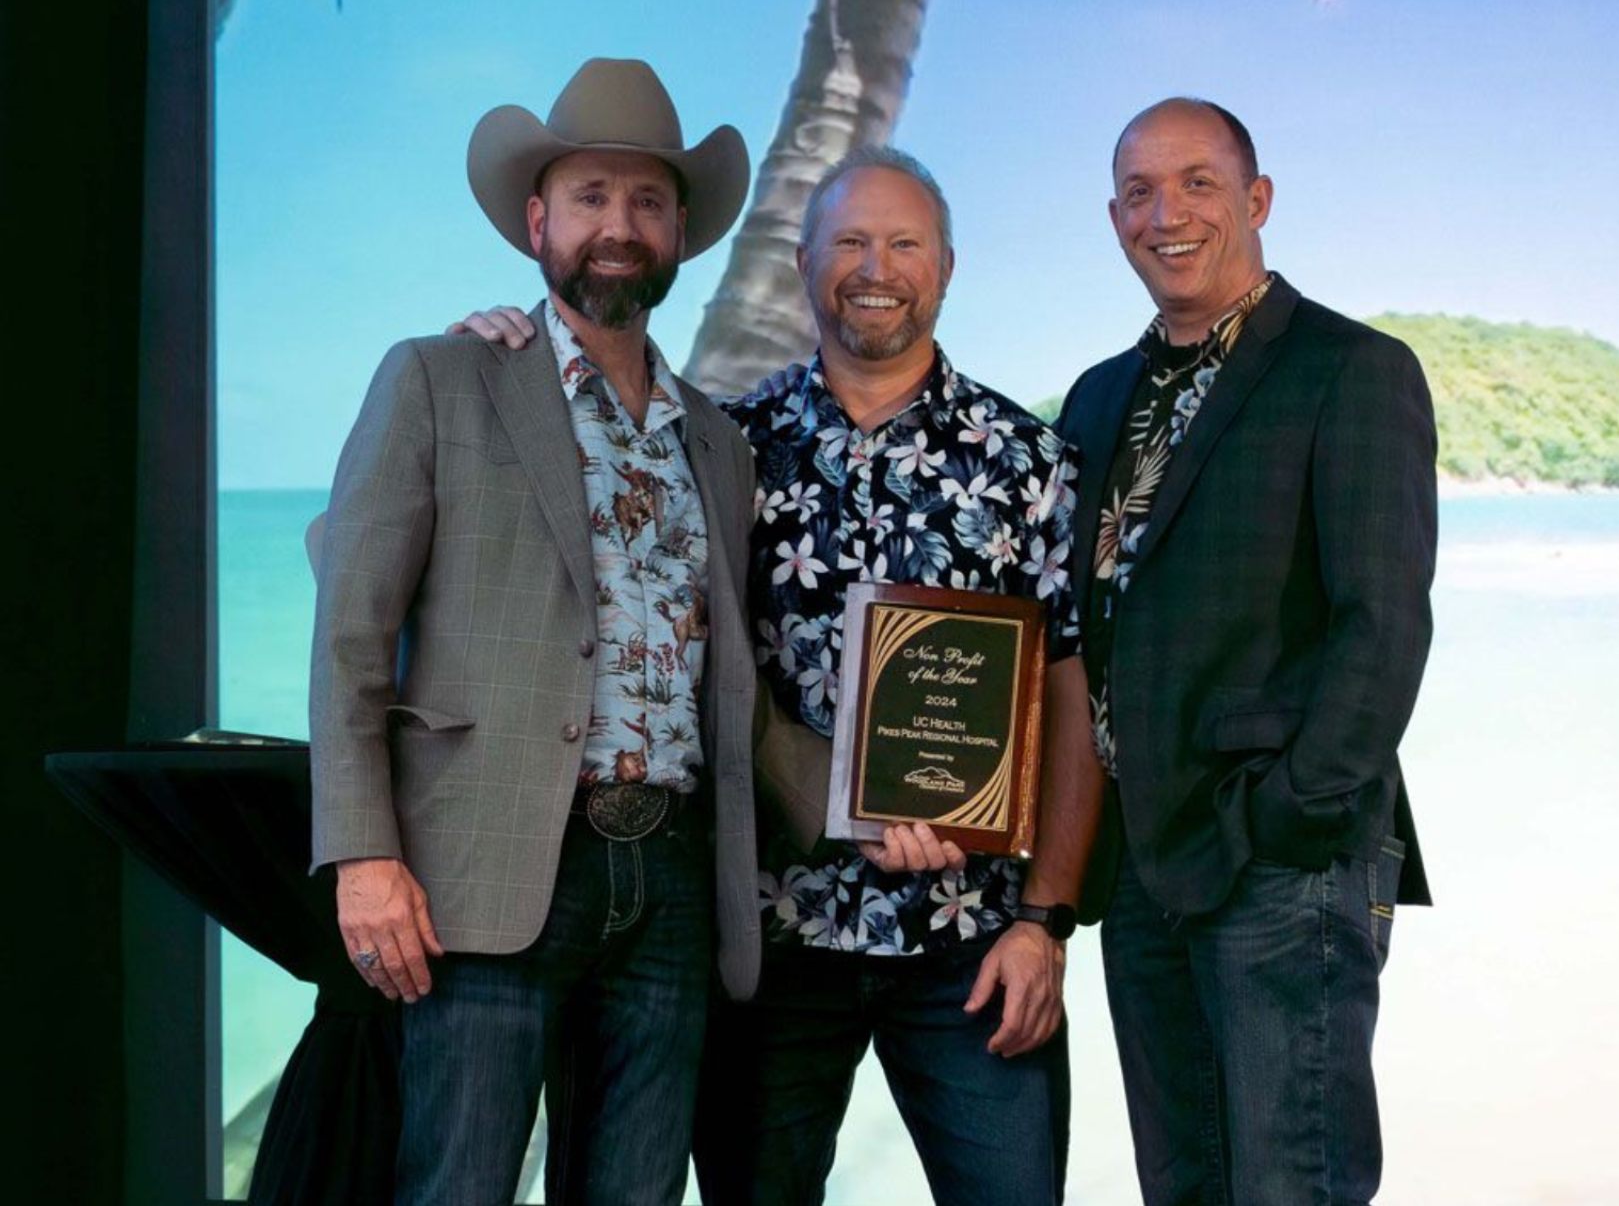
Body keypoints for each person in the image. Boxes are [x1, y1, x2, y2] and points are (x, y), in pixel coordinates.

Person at [457, 147, 1102, 1206]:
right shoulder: (720, 448)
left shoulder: (1032, 462)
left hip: (974, 942)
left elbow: (1073, 701)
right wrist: (496, 350)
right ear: (804, 264)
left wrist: (1046, 922)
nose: (874, 265)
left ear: (947, 265)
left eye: (902, 242)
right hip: (771, 939)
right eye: (848, 241)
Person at [308, 57, 759, 1206]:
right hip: (487, 869)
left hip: (668, 876)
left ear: (681, 231)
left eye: (648, 200)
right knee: (457, 1187)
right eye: (592, 196)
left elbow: (736, 683)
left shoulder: (719, 443)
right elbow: (351, 630)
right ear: (536, 220)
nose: (620, 225)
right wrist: (362, 854)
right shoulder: (442, 377)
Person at [1055, 97, 1436, 1206]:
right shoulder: (1095, 400)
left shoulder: (1350, 369)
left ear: (1256, 199)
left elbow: (1385, 621)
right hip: (1138, 869)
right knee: (1185, 1187)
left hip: (1283, 862)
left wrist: (1292, 813)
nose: (1164, 213)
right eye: (1138, 191)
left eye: (1197, 183)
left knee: (1291, 1187)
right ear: (1114, 216)